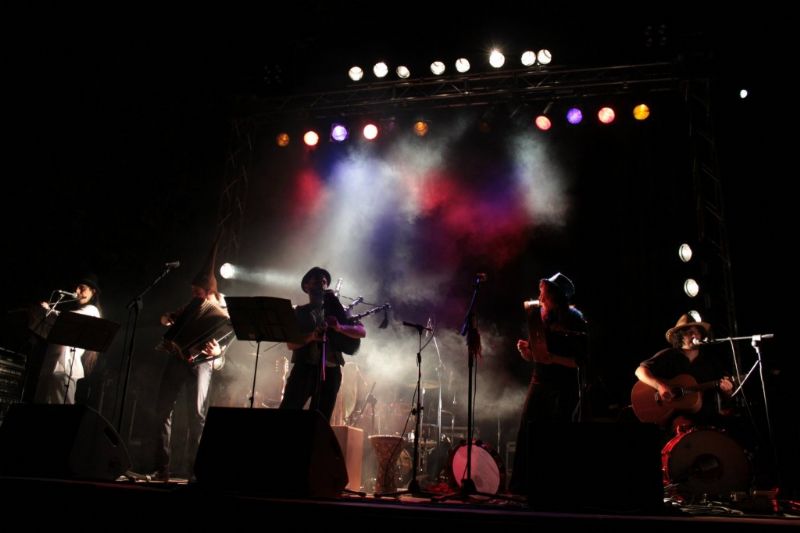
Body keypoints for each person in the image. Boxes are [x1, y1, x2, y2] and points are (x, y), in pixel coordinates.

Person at [150, 241, 232, 481]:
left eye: (198, 292)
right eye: (193, 292)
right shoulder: (190, 305)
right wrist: (167, 319)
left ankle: (194, 471)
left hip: (202, 364)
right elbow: (169, 318)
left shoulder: (225, 312)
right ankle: (161, 468)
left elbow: (226, 347)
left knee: (196, 416)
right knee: (162, 410)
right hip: (177, 360)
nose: (194, 296)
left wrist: (217, 352)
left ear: (209, 291)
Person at [509, 272, 588, 495]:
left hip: (564, 386)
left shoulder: (575, 320)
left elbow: (580, 362)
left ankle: (554, 487)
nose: (540, 296)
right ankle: (523, 486)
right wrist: (526, 351)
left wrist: (554, 358)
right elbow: (538, 357)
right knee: (528, 428)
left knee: (556, 434)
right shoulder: (539, 318)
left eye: (544, 292)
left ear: (555, 295)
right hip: (540, 380)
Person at [279, 267, 366, 422]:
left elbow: (361, 331)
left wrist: (340, 327)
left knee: (319, 421)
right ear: (306, 286)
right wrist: (312, 336)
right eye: (317, 281)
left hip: (331, 371)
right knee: (288, 413)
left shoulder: (339, 309)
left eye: (324, 282)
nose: (322, 285)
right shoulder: (299, 312)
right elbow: (291, 344)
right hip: (304, 369)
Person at [634, 313, 734, 433]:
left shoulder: (711, 362)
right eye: (689, 332)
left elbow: (726, 398)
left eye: (697, 331)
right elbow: (640, 371)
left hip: (706, 422)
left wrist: (727, 391)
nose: (694, 335)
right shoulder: (669, 356)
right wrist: (660, 386)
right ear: (679, 337)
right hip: (673, 421)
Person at [33, 274, 102, 405]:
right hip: (49, 367)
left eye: (82, 288)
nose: (77, 291)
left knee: (62, 414)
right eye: (76, 288)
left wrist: (49, 310)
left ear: (93, 292)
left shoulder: (91, 310)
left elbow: (67, 318)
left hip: (65, 369)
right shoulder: (77, 309)